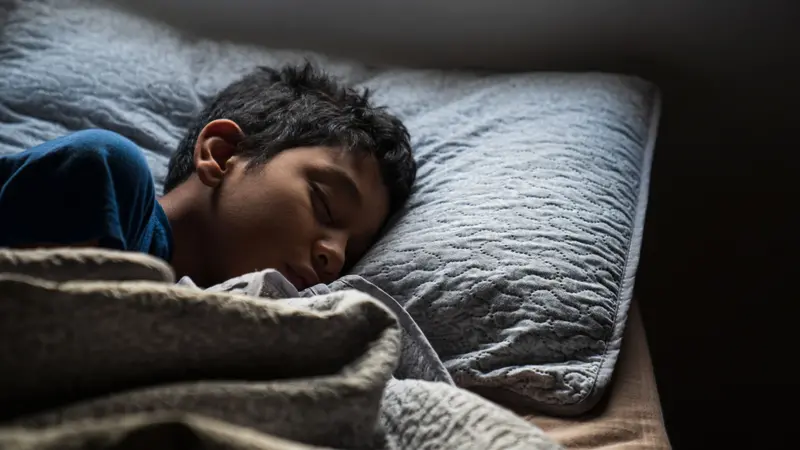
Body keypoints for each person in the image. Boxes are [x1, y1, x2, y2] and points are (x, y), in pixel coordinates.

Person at [0, 63, 417, 289]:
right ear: (221, 154)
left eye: (354, 251)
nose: (336, 257)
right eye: (325, 204)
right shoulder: (107, 172)